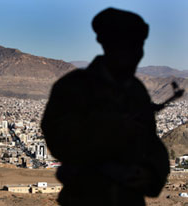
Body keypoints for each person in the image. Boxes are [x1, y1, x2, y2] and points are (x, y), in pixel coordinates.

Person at [41, 8, 170, 206]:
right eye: (129, 46)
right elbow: (59, 140)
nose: (137, 54)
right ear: (109, 46)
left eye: (139, 46)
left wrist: (150, 173)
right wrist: (110, 129)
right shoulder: (74, 87)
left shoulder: (136, 91)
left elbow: (150, 143)